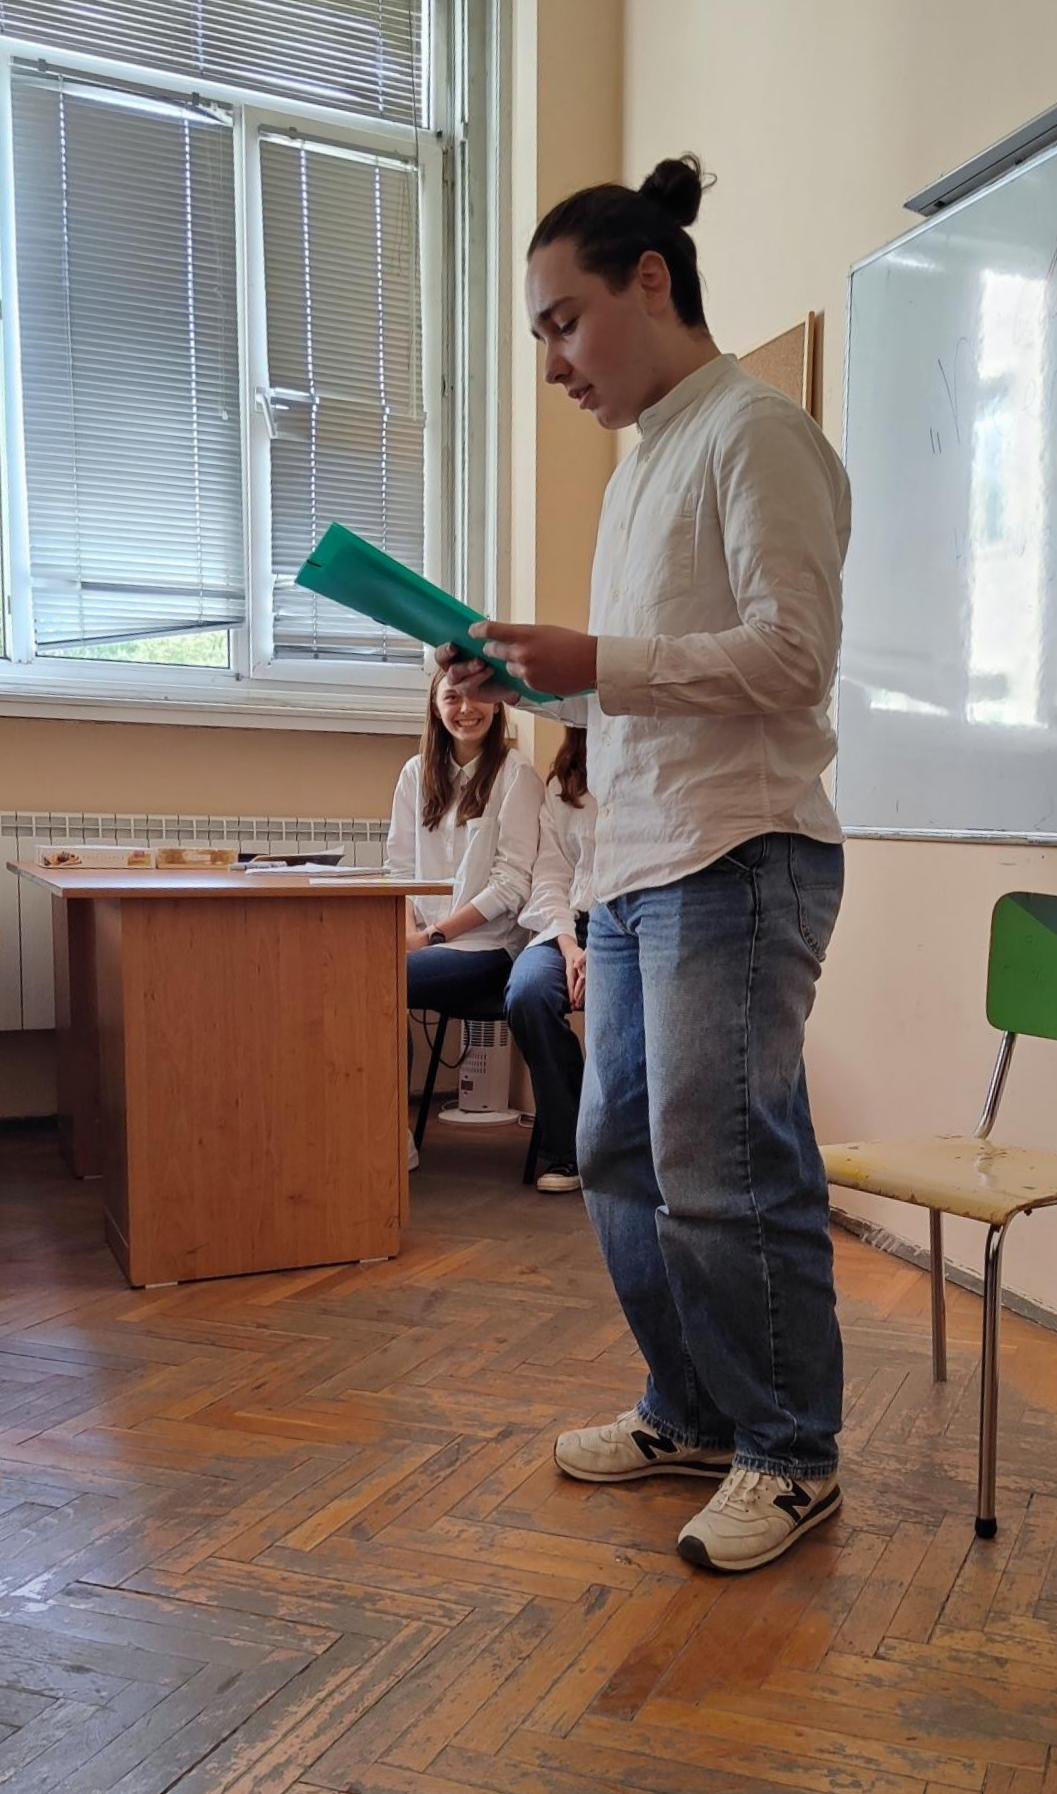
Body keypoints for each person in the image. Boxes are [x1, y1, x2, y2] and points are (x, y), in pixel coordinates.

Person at [438, 153, 851, 1574]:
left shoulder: (755, 431)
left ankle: (790, 1451)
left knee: (725, 1166)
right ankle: (692, 1410)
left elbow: (792, 660)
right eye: (541, 335)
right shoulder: (638, 472)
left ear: (651, 280)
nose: (553, 361)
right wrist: (529, 676)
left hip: (738, 854)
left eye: (564, 321)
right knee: (618, 1151)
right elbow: (638, 686)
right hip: (634, 867)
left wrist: (598, 659)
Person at [387, 669, 543, 1166]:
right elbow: (399, 872)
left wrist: (430, 936)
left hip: (489, 947)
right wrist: (409, 933)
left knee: (380, 981)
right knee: (360, 977)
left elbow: (512, 886)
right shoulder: (415, 773)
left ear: (497, 704)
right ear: (435, 707)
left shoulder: (516, 774)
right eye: (452, 697)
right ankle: (384, 1127)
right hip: (425, 943)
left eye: (478, 696)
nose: (465, 708)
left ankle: (390, 1138)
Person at [506, 727, 596, 1194]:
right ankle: (570, 1148)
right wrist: (569, 946)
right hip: (567, 926)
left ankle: (618, 1151)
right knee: (528, 993)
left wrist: (602, 950)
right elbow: (551, 874)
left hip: (628, 924)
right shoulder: (563, 782)